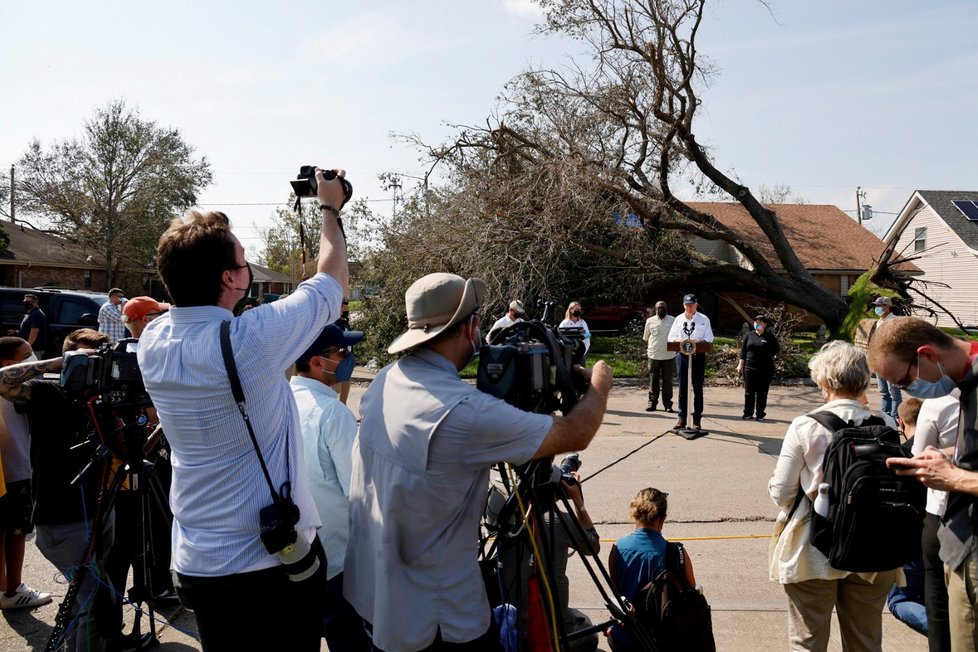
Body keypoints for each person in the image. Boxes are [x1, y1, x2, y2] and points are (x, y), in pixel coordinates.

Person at [137, 167, 349, 651]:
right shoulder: (251, 339)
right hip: (268, 565)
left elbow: (185, 312)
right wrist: (330, 208)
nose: (248, 266)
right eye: (244, 259)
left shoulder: (153, 338)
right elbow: (332, 277)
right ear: (231, 278)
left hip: (198, 564)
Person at [344, 272, 613, 652]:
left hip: (376, 595)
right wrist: (599, 382)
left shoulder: (385, 380)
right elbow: (576, 433)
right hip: (435, 618)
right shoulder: (463, 411)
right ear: (470, 327)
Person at [769, 340, 900, 651]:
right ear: (863, 380)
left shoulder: (805, 426)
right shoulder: (886, 424)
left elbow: (782, 493)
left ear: (825, 382)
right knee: (866, 641)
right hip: (873, 545)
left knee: (808, 641)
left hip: (816, 545)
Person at [0, 329, 115, 651]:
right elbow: (3, 381)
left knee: (89, 597)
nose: (95, 367)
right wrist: (60, 363)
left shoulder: (105, 395)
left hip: (101, 507)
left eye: (100, 359)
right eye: (87, 359)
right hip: (63, 517)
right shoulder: (47, 392)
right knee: (93, 601)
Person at [870, 319, 974, 649]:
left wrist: (954, 477)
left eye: (905, 381)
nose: (907, 392)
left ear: (926, 354)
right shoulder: (966, 387)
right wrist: (944, 458)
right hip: (958, 543)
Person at [290, 324, 370, 651]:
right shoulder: (333, 414)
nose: (350, 357)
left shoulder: (282, 401)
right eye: (343, 353)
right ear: (317, 363)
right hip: (335, 562)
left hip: (294, 557)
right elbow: (359, 492)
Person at [607, 487, 698, 652]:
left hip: (625, 639)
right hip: (663, 642)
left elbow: (616, 593)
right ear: (661, 519)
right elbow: (691, 595)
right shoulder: (677, 552)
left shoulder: (617, 548)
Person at [0, 337, 51, 610]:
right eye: (28, 355)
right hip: (17, 469)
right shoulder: (17, 389)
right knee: (17, 532)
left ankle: (4, 587)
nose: (34, 359)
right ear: (8, 363)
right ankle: (14, 589)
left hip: (4, 471)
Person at [910, 391, 958, 652]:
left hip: (941, 512)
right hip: (944, 511)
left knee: (938, 603)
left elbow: (919, 459)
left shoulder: (938, 405)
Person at [667, 294, 714, 431]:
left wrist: (698, 341)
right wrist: (680, 341)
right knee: (683, 388)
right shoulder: (678, 319)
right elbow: (672, 337)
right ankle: (682, 418)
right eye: (687, 305)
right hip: (682, 356)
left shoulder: (704, 319)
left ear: (696, 305)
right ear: (683, 305)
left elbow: (709, 338)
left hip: (698, 356)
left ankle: (697, 420)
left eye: (691, 305)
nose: (689, 307)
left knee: (697, 388)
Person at [737, 314, 780, 421]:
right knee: (749, 391)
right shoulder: (749, 335)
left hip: (765, 369)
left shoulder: (769, 336)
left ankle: (760, 414)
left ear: (764, 324)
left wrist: (765, 354)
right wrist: (740, 364)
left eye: (760, 322)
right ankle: (748, 413)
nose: (757, 324)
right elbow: (743, 351)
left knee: (762, 392)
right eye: (756, 322)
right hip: (749, 368)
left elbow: (776, 349)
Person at [870, 297, 902, 420]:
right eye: (876, 305)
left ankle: (894, 418)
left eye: (880, 305)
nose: (877, 308)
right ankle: (885, 415)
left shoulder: (894, 321)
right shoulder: (880, 321)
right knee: (884, 392)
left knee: (894, 392)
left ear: (888, 306)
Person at [643, 301, 675, 413]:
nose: (661, 309)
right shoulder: (649, 321)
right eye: (659, 307)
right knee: (653, 380)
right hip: (654, 355)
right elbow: (646, 338)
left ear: (666, 308)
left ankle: (668, 404)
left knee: (668, 380)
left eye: (663, 307)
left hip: (669, 355)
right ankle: (652, 403)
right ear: (655, 309)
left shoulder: (673, 320)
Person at [334, 298, 354, 404]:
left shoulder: (346, 323)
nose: (346, 309)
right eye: (343, 306)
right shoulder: (334, 324)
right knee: (334, 390)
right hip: (337, 361)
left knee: (345, 391)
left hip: (347, 360)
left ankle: (343, 406)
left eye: (347, 307)